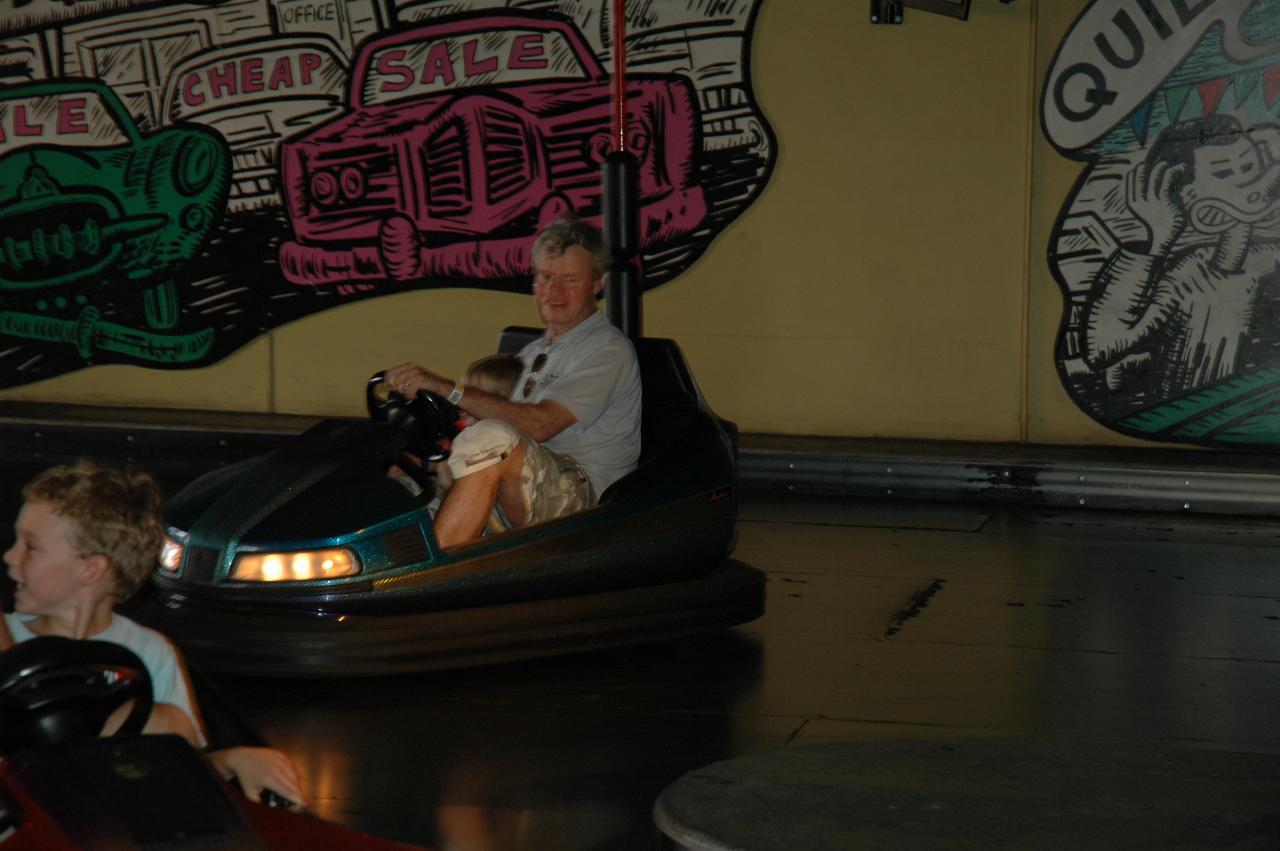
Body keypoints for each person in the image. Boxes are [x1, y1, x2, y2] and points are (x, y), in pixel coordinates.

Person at [0, 459, 305, 807]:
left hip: (110, 817)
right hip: (21, 816)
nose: (10, 557)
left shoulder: (150, 652)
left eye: (30, 546)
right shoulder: (6, 637)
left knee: (167, 722)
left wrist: (235, 759)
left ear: (90, 569)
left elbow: (185, 761)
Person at [385, 217, 642, 547]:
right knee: (402, 460)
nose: (554, 291)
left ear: (596, 284)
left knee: (491, 439)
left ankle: (427, 580)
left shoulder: (607, 350)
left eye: (569, 280)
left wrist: (449, 389)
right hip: (524, 479)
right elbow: (494, 419)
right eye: (546, 277)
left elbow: (540, 425)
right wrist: (421, 454)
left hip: (586, 493)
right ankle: (367, 565)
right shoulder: (534, 351)